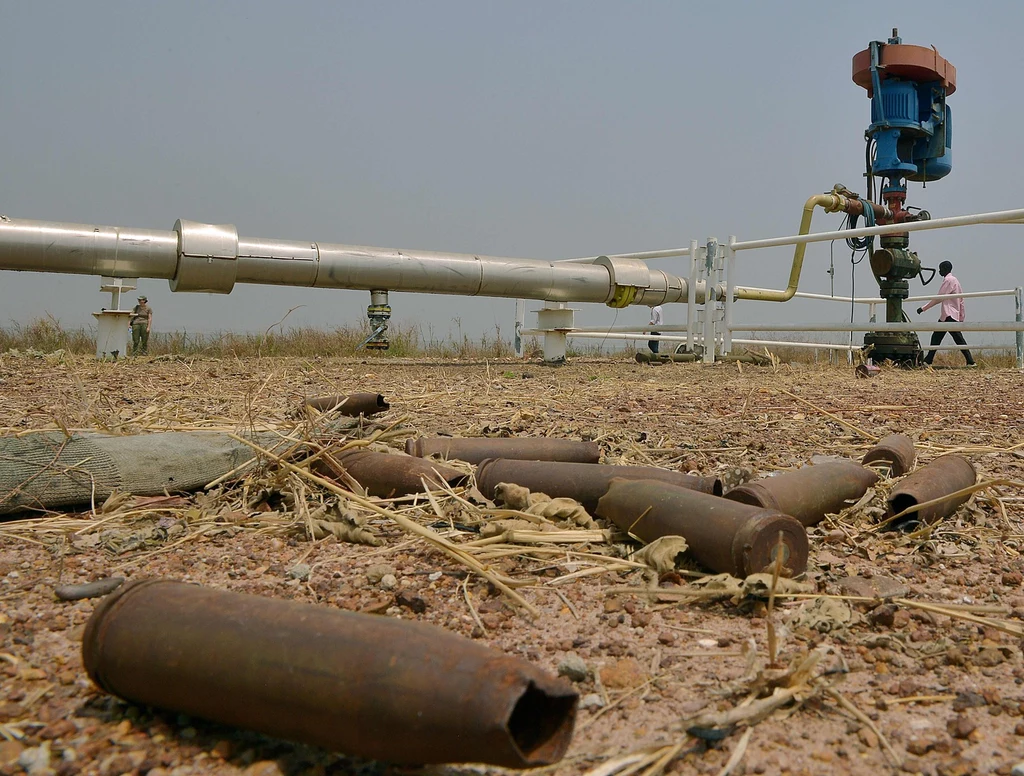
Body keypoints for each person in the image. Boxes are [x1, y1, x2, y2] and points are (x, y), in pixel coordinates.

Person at [917, 261, 975, 366]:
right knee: (937, 337)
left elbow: (939, 298)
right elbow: (961, 300)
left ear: (945, 269)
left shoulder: (948, 280)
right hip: (950, 315)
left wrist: (923, 308)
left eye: (940, 269)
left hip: (949, 315)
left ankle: (970, 361)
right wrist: (961, 316)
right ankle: (928, 360)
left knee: (956, 339)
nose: (939, 271)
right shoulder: (956, 281)